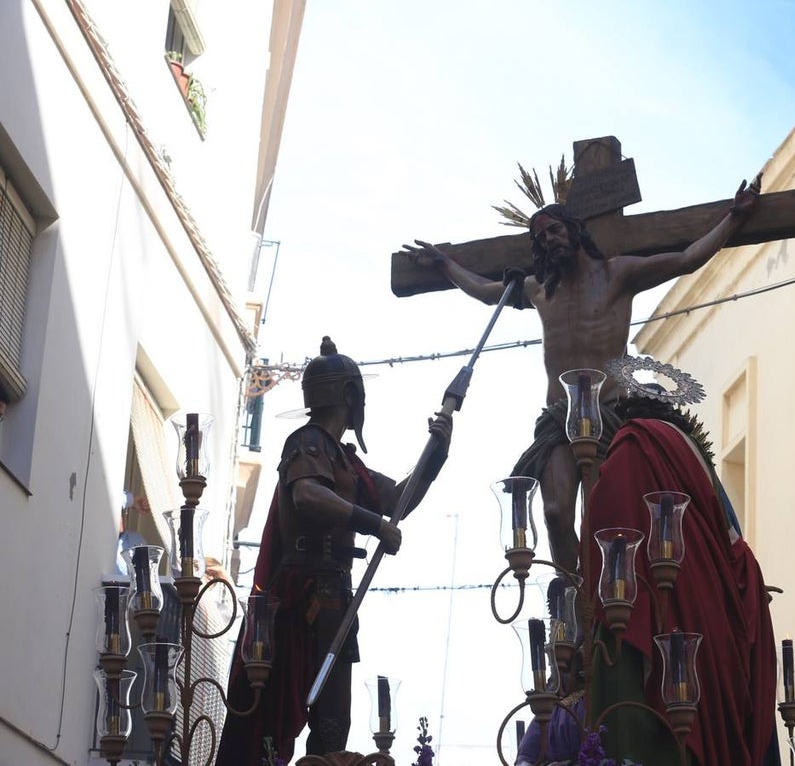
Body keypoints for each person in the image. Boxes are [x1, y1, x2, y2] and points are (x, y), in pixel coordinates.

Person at [404, 176, 760, 574]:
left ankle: (600, 595)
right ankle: (574, 594)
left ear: (574, 231)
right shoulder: (540, 290)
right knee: (556, 512)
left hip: (609, 413)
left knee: (601, 516)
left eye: (555, 229)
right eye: (540, 238)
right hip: (559, 418)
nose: (549, 240)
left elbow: (686, 259)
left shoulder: (618, 274)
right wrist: (445, 265)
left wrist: (733, 218)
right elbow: (487, 291)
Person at [217, 337, 452, 764]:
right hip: (298, 602)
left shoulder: (347, 464)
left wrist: (434, 456)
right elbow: (308, 495)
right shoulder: (306, 443)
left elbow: (398, 499)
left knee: (332, 734)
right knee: (271, 722)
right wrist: (375, 525)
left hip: (337, 604)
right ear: (349, 395)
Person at [584, 391, 779, 766]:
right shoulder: (699, 461)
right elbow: (734, 550)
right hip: (714, 632)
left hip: (649, 622)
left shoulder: (633, 444)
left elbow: (608, 522)